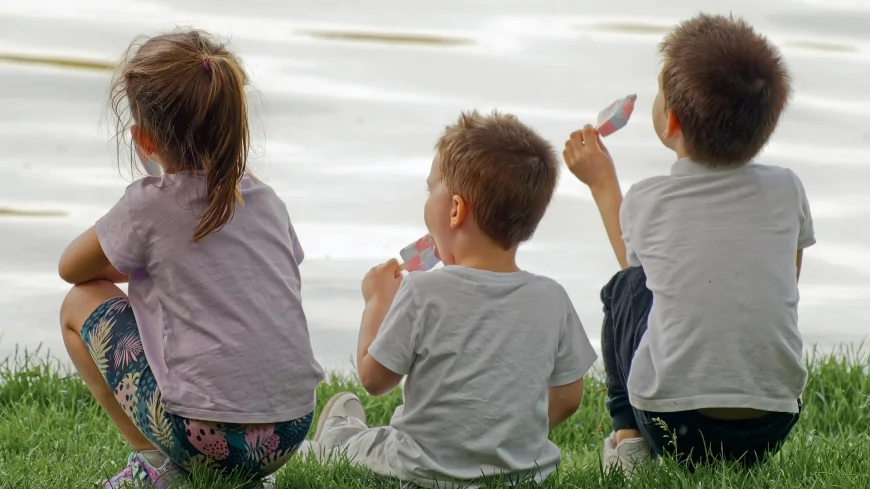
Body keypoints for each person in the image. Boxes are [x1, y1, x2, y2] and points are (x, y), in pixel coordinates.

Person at [58, 30, 323, 488]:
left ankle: (158, 466)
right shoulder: (268, 201)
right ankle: (249, 475)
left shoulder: (148, 206)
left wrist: (141, 258)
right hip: (290, 429)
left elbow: (71, 269)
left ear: (142, 138)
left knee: (78, 304)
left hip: (201, 436)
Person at [563, 13, 814, 474]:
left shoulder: (648, 199)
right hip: (773, 420)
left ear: (671, 120)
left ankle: (627, 436)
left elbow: (639, 275)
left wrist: (602, 183)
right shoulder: (787, 189)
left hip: (671, 421)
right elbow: (787, 280)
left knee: (624, 289)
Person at [303, 111, 599, 487]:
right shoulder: (552, 298)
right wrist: (508, 438)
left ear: (456, 210)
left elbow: (374, 379)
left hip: (420, 468)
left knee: (358, 443)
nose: (426, 200)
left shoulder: (423, 291)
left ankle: (337, 433)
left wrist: (377, 301)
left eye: (431, 190)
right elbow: (569, 397)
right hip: (524, 473)